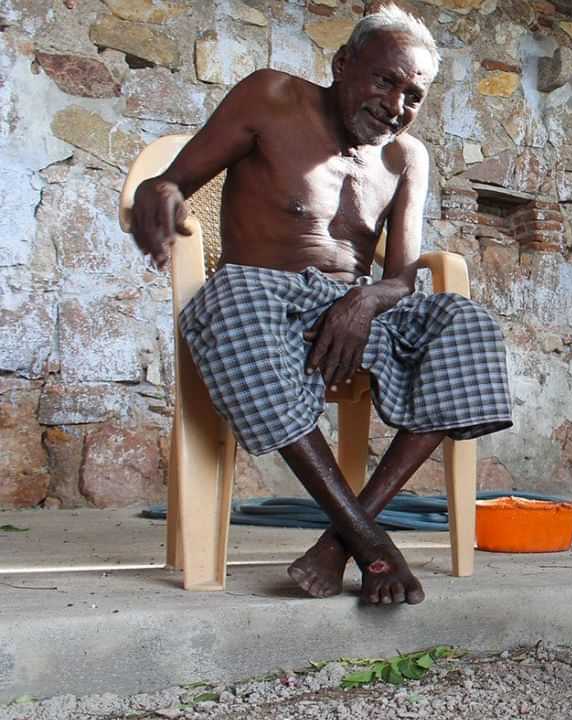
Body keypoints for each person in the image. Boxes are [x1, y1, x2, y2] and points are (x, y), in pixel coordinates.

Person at [128, 4, 512, 606]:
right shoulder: (271, 97)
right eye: (385, 81)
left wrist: (365, 301)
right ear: (342, 64)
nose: (395, 105)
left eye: (414, 95)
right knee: (226, 305)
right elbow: (174, 180)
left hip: (355, 311)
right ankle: (369, 541)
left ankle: (337, 544)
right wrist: (161, 195)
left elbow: (404, 277)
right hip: (262, 295)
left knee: (465, 323)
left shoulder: (405, 157)